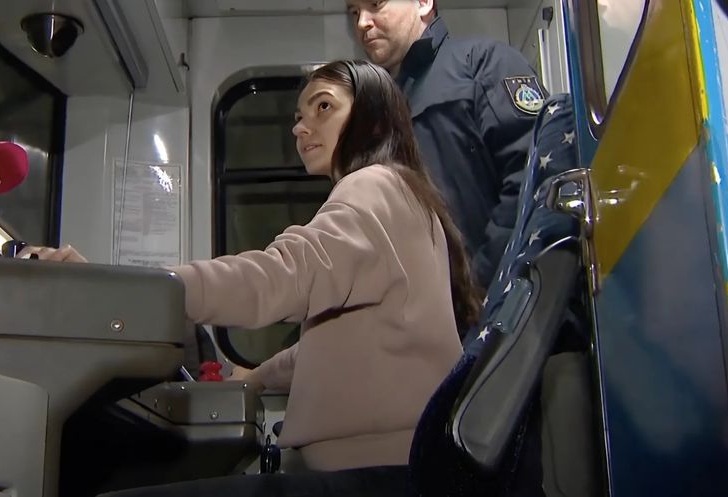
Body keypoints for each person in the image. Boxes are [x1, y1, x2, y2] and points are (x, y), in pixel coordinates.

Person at [24, 59, 482, 496]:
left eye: (323, 107)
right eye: (298, 117)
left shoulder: (373, 186)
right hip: (401, 467)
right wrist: (256, 376)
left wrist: (123, 290)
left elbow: (276, 277)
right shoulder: (405, 195)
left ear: (375, 119)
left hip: (375, 477)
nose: (300, 127)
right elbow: (335, 343)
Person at [345, 0, 546, 292]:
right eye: (354, 12)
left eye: (375, 4)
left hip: (504, 300)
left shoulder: (482, 63)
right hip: (432, 307)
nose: (362, 22)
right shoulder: (379, 112)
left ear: (423, 3)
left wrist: (479, 286)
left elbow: (532, 177)